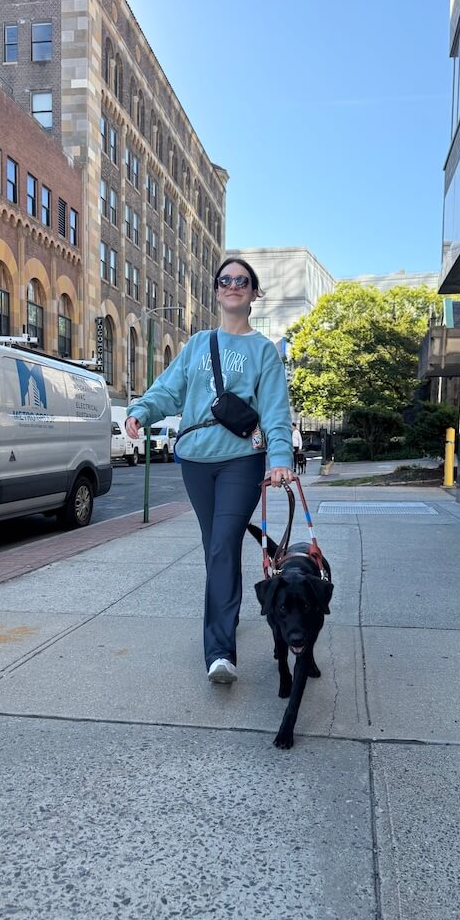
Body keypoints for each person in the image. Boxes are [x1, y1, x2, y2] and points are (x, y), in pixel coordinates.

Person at [125, 258, 293, 685]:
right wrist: (142, 411)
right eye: (225, 281)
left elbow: (274, 412)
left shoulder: (264, 352)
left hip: (242, 460)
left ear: (254, 294)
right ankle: (227, 613)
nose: (233, 286)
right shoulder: (199, 344)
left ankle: (220, 652)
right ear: (217, 292)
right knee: (214, 545)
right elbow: (169, 389)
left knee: (222, 545)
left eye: (242, 281)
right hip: (196, 461)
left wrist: (279, 460)